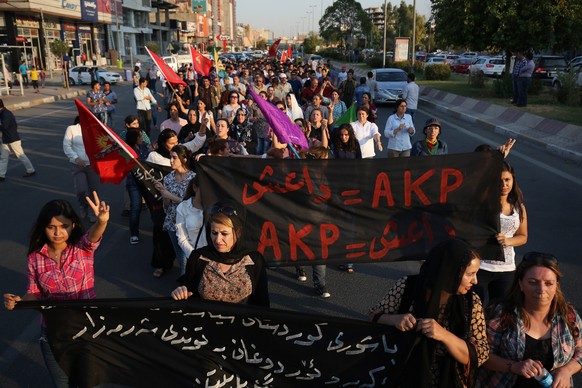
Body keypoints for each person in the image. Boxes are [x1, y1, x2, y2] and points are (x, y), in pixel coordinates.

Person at [3, 193, 110, 388]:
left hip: (88, 330)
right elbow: (34, 293)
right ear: (43, 228)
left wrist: (101, 222)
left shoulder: (82, 248)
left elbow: (93, 237)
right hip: (54, 333)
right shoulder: (35, 257)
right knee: (62, 384)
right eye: (51, 227)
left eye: (64, 226)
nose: (58, 232)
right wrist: (19, 302)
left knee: (91, 382)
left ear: (73, 225)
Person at [369, 238, 489, 387]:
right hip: (402, 376)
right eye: (470, 274)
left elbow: (480, 354)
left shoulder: (471, 302)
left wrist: (443, 335)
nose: (475, 281)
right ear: (451, 271)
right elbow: (373, 318)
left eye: (476, 274)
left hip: (449, 380)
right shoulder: (408, 286)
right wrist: (395, 320)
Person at [478, 252, 582, 387]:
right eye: (532, 282)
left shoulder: (569, 316)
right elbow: (481, 355)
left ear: (556, 286)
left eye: (549, 283)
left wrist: (567, 370)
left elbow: (580, 350)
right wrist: (514, 366)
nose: (541, 289)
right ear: (520, 284)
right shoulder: (501, 314)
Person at [171, 202, 270, 307]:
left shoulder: (254, 260)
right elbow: (188, 293)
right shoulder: (198, 258)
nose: (218, 240)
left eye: (224, 234)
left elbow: (262, 302)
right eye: (214, 233)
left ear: (238, 232)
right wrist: (180, 293)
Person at [474, 161, 528, 306]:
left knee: (500, 312)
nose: (504, 185)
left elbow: (523, 236)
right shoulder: (483, 203)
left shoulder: (519, 208)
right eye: (499, 181)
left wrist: (508, 241)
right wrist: (497, 158)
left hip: (507, 269)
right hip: (480, 266)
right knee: (473, 309)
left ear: (513, 180)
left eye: (507, 180)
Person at [154, 144, 195, 276]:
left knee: (186, 255)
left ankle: (186, 281)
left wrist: (170, 196)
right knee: (179, 254)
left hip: (189, 222)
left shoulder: (193, 178)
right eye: (170, 157)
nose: (171, 160)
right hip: (172, 221)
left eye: (174, 158)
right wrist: (163, 193)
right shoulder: (168, 178)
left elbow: (193, 204)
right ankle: (185, 280)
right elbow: (166, 206)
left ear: (184, 159)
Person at [63, 116, 100, 221]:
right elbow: (66, 145)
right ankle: (83, 205)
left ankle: (92, 212)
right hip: (78, 165)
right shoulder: (72, 129)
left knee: (94, 190)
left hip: (92, 165)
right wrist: (75, 158)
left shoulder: (95, 129)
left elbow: (102, 145)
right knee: (81, 189)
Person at [0, 99, 36, 181]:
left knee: (21, 155)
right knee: (3, 158)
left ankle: (31, 170)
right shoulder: (2, 113)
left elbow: (4, 126)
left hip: (13, 139)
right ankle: (1, 175)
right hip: (6, 139)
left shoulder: (6, 114)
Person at [125, 129, 149, 244]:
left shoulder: (144, 146)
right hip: (133, 183)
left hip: (147, 182)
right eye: (139, 137)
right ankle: (134, 233)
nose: (141, 139)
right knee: (136, 207)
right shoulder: (127, 151)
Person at [175, 176, 206, 260]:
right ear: (195, 187)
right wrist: (195, 256)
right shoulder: (182, 208)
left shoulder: (217, 208)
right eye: (204, 188)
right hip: (195, 258)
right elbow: (182, 238)